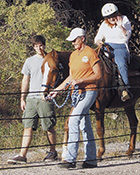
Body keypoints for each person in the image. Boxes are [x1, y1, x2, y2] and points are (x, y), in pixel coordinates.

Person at [48, 28, 101, 169]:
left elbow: (98, 75)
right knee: (85, 125)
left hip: (89, 91)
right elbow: (71, 77)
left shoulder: (90, 53)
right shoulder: (73, 56)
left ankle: (70, 159)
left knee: (73, 120)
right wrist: (57, 90)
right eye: (71, 41)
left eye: (74, 40)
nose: (72, 43)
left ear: (82, 38)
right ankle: (91, 159)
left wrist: (81, 81)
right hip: (76, 93)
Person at [7, 35, 57, 164]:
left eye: (40, 45)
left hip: (45, 98)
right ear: (33, 47)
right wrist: (22, 98)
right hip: (31, 98)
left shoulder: (50, 59)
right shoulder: (29, 61)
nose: (38, 48)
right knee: (27, 126)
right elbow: (25, 80)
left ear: (44, 45)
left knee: (48, 126)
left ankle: (53, 151)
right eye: (36, 46)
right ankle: (22, 155)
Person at [94, 3, 132, 102]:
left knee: (120, 63)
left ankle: (125, 88)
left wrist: (121, 27)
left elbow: (127, 36)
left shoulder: (124, 19)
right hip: (107, 46)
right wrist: (99, 42)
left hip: (120, 46)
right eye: (108, 17)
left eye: (113, 15)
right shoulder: (104, 24)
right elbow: (97, 38)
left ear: (117, 13)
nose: (111, 18)